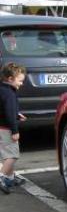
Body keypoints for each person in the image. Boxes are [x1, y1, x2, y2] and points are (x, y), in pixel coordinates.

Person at [0, 63, 27, 194]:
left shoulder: (2, 90)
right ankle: (2, 177)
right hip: (6, 128)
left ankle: (10, 178)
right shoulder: (10, 94)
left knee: (7, 155)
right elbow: (9, 112)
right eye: (20, 80)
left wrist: (17, 114)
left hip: (1, 126)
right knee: (12, 155)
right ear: (10, 79)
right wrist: (15, 130)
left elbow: (4, 109)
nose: (21, 84)